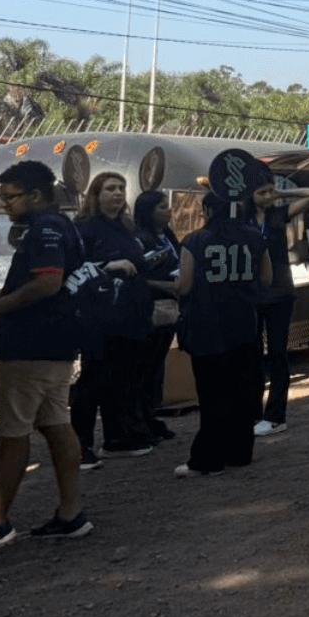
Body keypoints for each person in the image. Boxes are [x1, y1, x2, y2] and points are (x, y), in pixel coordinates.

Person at [0, 160, 89, 555]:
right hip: (57, 346)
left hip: (29, 348)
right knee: (57, 425)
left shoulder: (44, 230)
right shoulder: (64, 225)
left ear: (36, 195)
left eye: (11, 197)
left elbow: (48, 283)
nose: (6, 205)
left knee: (13, 433)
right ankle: (71, 512)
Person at [174, 157, 271, 478]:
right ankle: (240, 451)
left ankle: (207, 457)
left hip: (207, 326)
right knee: (243, 390)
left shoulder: (194, 241)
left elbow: (184, 285)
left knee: (212, 394)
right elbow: (267, 279)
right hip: (244, 323)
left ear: (207, 211)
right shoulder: (255, 237)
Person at [72, 172, 158, 459]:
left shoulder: (125, 226)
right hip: (98, 317)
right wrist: (106, 266)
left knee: (122, 379)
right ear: (96, 194)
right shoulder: (84, 228)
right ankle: (80, 446)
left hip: (129, 316)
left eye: (121, 188)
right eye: (110, 188)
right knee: (93, 381)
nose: (118, 193)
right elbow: (74, 269)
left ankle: (117, 438)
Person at [252, 177, 309, 438]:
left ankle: (275, 415)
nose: (268, 196)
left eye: (270, 191)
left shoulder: (278, 214)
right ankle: (253, 413)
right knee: (252, 355)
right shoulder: (241, 219)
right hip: (252, 294)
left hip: (280, 292)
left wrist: (283, 192)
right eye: (262, 192)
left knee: (278, 354)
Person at [130, 190, 181, 443]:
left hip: (170, 309)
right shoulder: (140, 240)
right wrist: (162, 285)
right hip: (150, 308)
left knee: (157, 367)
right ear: (148, 212)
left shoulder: (168, 236)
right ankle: (140, 420)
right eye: (162, 207)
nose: (168, 211)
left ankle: (152, 416)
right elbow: (136, 278)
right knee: (144, 367)